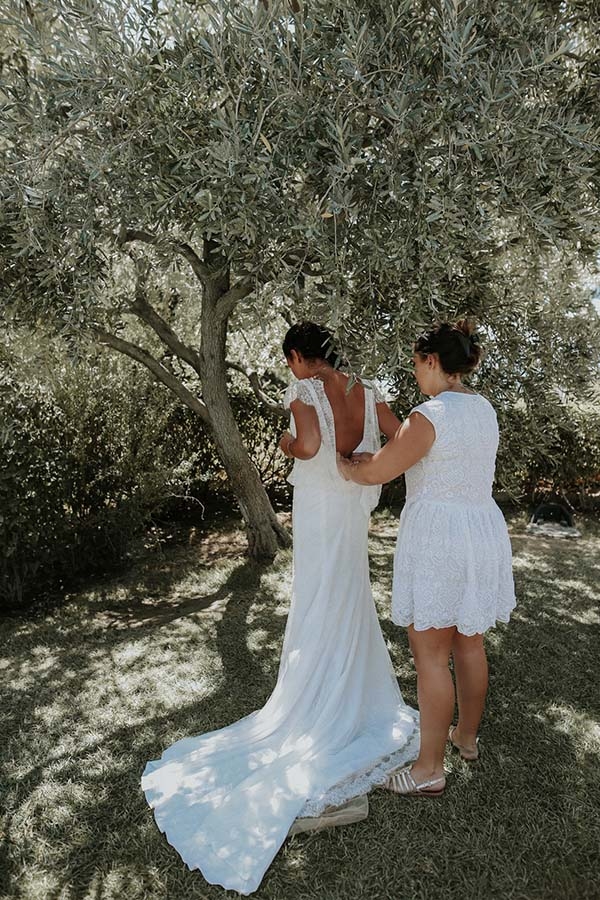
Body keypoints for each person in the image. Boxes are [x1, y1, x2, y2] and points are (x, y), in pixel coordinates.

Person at [141, 322, 418, 894]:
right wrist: (369, 453)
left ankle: (318, 702)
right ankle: (354, 694)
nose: (291, 368)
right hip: (350, 509)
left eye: (290, 359)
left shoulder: (304, 392)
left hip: (320, 507)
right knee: (349, 595)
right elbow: (404, 433)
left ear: (298, 356)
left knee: (319, 601)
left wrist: (287, 444)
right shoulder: (365, 389)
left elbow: (311, 446)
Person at [339, 320, 515, 797]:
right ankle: (466, 737)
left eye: (417, 364)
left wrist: (347, 467)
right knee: (469, 644)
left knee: (432, 657)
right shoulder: (483, 410)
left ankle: (428, 770)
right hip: (480, 532)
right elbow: (430, 454)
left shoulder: (428, 415)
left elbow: (380, 470)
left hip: (442, 540)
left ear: (432, 361)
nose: (416, 373)